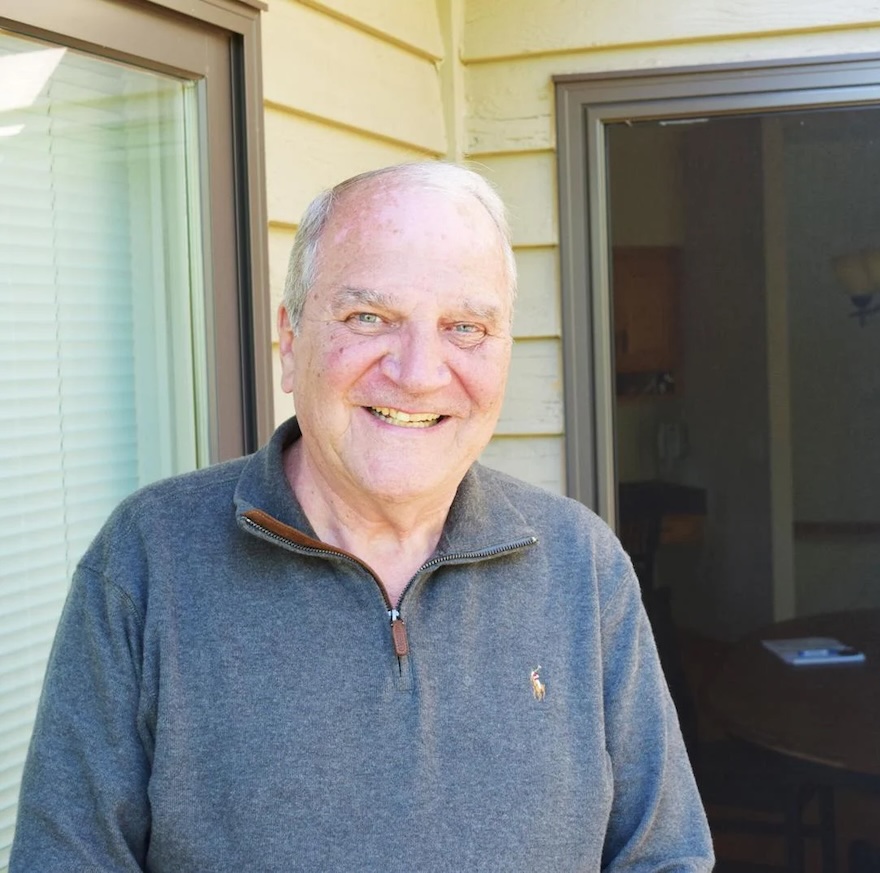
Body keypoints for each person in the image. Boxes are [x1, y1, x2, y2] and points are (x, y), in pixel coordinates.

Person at [11, 162, 714, 871]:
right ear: (290, 343)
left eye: (465, 327)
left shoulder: (582, 567)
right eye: (369, 318)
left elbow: (665, 856)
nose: (418, 372)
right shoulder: (147, 563)